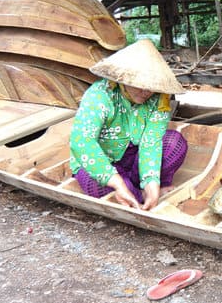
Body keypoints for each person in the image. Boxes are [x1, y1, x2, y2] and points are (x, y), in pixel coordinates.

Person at [69, 39, 188, 210]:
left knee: (174, 143)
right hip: (102, 159)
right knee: (98, 185)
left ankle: (145, 190)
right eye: (139, 85)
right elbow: (82, 142)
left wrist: (151, 182)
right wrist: (116, 182)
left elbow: (151, 142)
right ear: (123, 78)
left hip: (134, 158)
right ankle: (132, 190)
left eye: (151, 87)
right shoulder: (100, 95)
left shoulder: (159, 98)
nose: (146, 92)